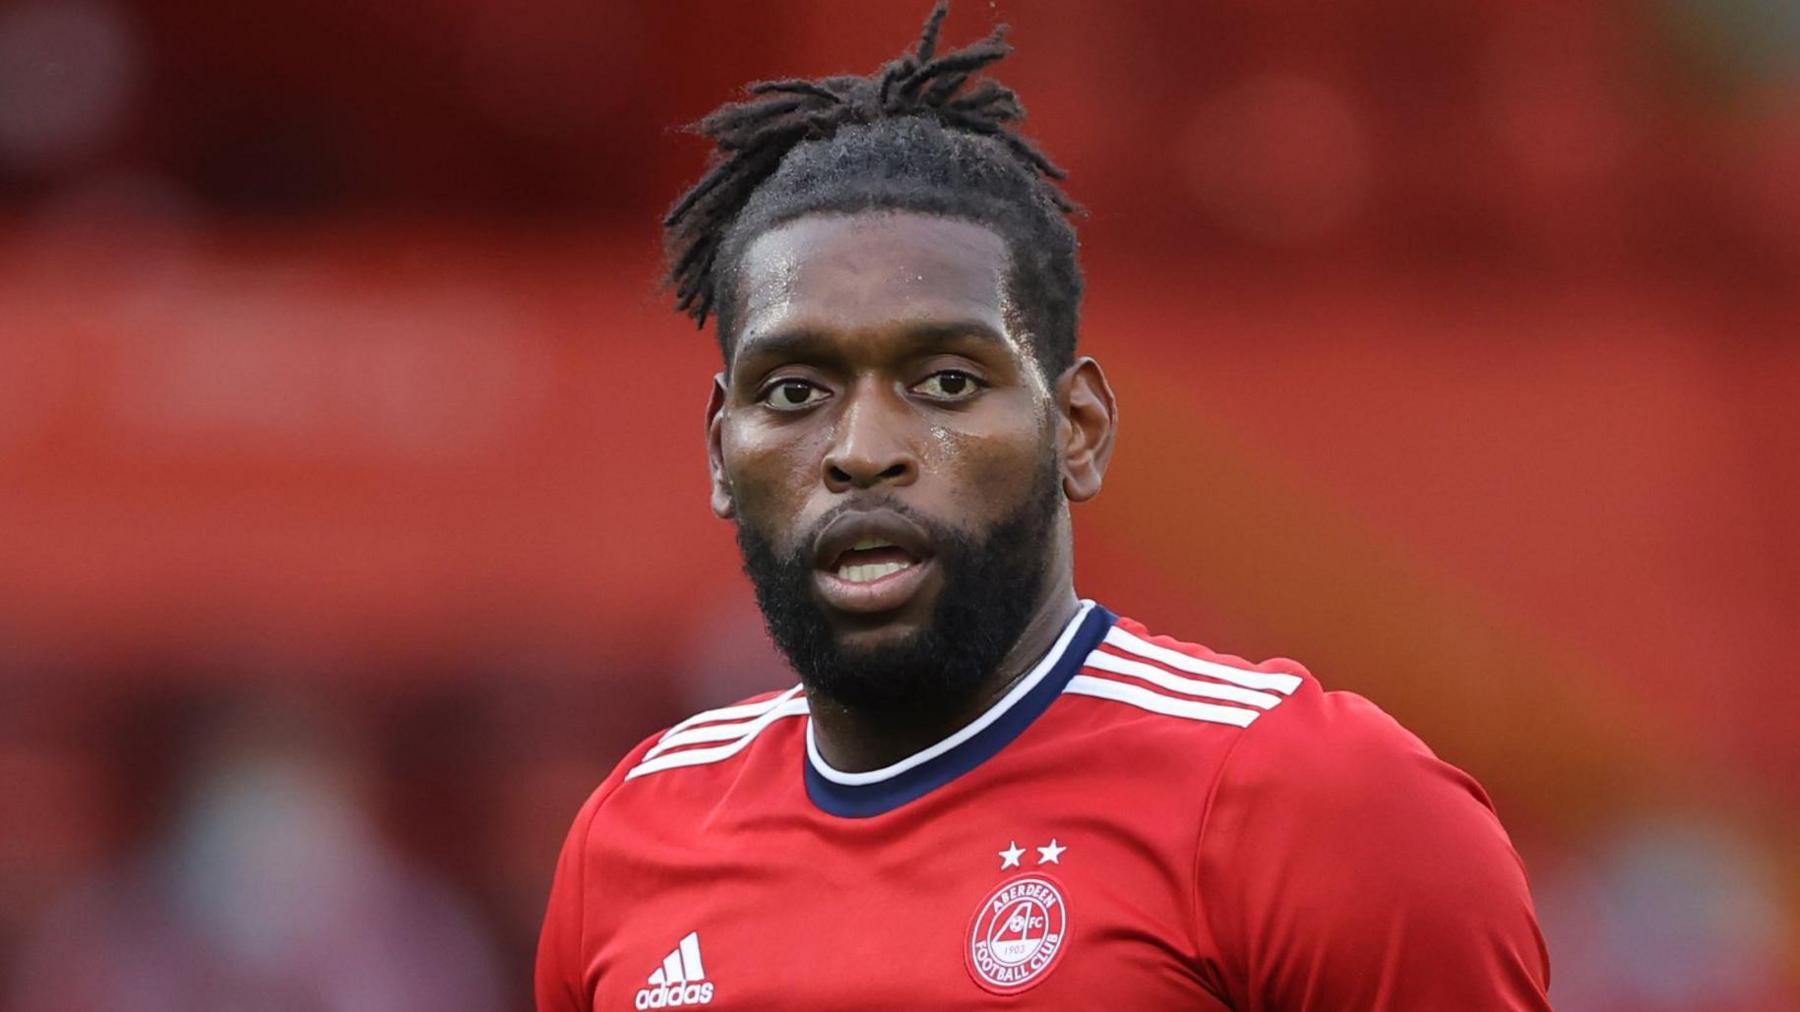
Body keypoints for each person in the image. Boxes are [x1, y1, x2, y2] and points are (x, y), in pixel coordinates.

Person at [537, 4, 1551, 1008]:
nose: (862, 452)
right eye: (796, 392)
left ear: (1078, 429)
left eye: (944, 382)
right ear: (721, 451)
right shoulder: (631, 835)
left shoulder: (1311, 804)